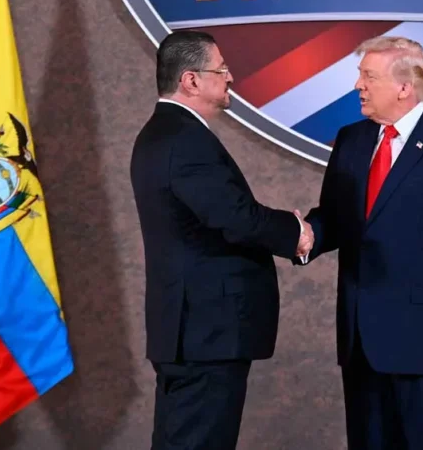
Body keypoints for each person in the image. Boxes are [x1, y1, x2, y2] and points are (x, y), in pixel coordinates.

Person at [298, 35, 423, 450]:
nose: (358, 86)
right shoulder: (351, 140)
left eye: (368, 77)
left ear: (405, 86)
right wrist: (301, 235)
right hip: (360, 343)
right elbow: (335, 217)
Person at [130, 30, 313, 450]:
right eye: (222, 69)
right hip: (204, 333)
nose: (230, 78)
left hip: (192, 331)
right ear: (191, 80)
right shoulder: (183, 139)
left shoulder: (164, 134)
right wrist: (296, 232)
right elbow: (235, 218)